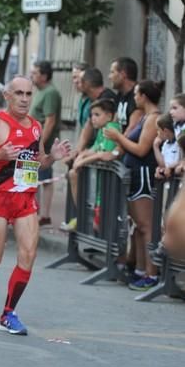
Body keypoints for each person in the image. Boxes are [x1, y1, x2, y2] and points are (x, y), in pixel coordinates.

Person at [0, 76, 71, 336]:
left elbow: (38, 161)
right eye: (19, 93)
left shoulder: (35, 126)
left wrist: (51, 158)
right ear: (8, 96)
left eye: (28, 94)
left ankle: (8, 313)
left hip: (25, 199)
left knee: (28, 254)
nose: (24, 99)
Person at [104, 80, 162, 291]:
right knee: (138, 226)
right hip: (135, 174)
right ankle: (139, 269)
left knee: (146, 226)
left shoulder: (153, 119)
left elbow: (140, 149)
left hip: (144, 174)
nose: (134, 98)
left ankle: (152, 273)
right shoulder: (143, 117)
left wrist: (117, 136)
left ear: (144, 96)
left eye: (137, 94)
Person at [66, 98, 121, 230]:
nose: (92, 119)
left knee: (99, 225)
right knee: (73, 174)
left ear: (108, 116)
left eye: (97, 115)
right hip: (99, 186)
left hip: (107, 186)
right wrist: (80, 158)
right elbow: (93, 149)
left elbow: (103, 154)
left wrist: (82, 161)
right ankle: (82, 215)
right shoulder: (102, 130)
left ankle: (84, 219)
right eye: (91, 115)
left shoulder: (111, 129)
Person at [30, 61, 62, 226]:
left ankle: (44, 215)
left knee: (44, 178)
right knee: (35, 177)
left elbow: (50, 121)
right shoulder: (40, 91)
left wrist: (40, 143)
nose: (32, 75)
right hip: (34, 141)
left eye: (35, 72)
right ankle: (34, 211)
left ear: (44, 75)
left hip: (44, 143)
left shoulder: (50, 93)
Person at [108, 57, 142, 134]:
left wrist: (118, 145)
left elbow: (132, 129)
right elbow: (114, 125)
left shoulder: (138, 96)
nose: (109, 77)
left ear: (123, 74)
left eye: (112, 72)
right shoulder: (120, 95)